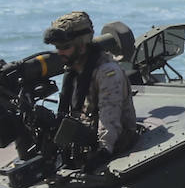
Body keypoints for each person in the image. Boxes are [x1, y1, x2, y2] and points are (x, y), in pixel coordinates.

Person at [44, 11, 139, 170]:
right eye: (57, 48)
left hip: (116, 139)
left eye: (65, 47)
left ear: (81, 46)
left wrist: (103, 151)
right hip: (87, 130)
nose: (60, 53)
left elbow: (109, 115)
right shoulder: (75, 68)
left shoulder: (107, 72)